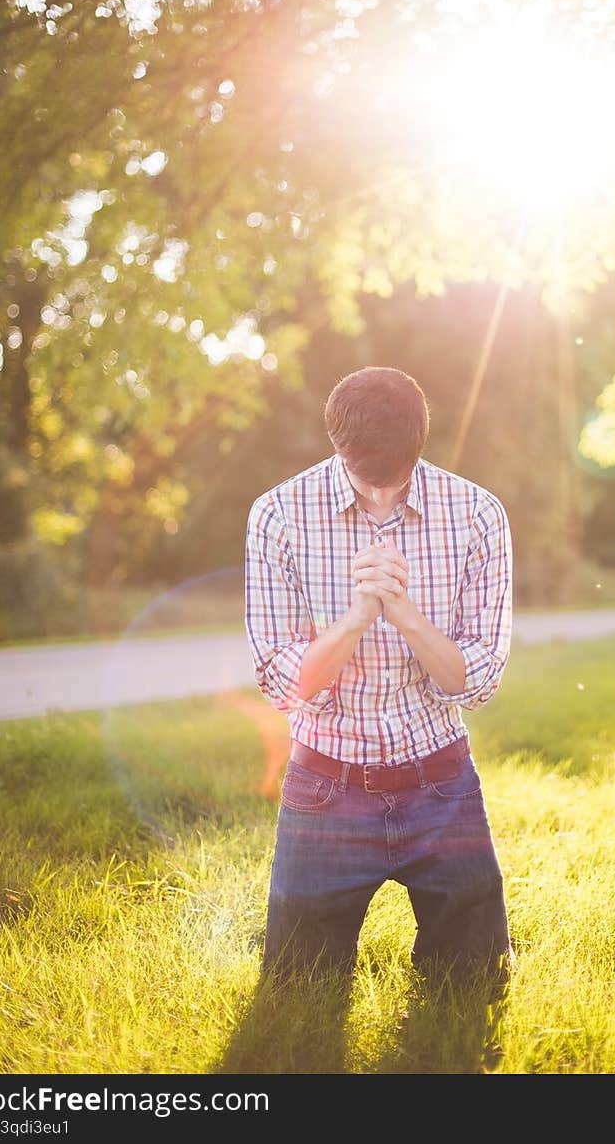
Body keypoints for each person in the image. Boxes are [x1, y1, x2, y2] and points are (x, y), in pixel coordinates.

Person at [244, 364, 514, 997]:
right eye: (367, 475)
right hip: (326, 788)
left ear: (422, 440)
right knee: (298, 990)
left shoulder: (476, 514)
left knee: (475, 983)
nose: (382, 493)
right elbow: (285, 684)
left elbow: (477, 682)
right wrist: (358, 617)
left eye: (396, 475)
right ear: (336, 443)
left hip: (442, 785)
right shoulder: (279, 514)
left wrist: (404, 613)